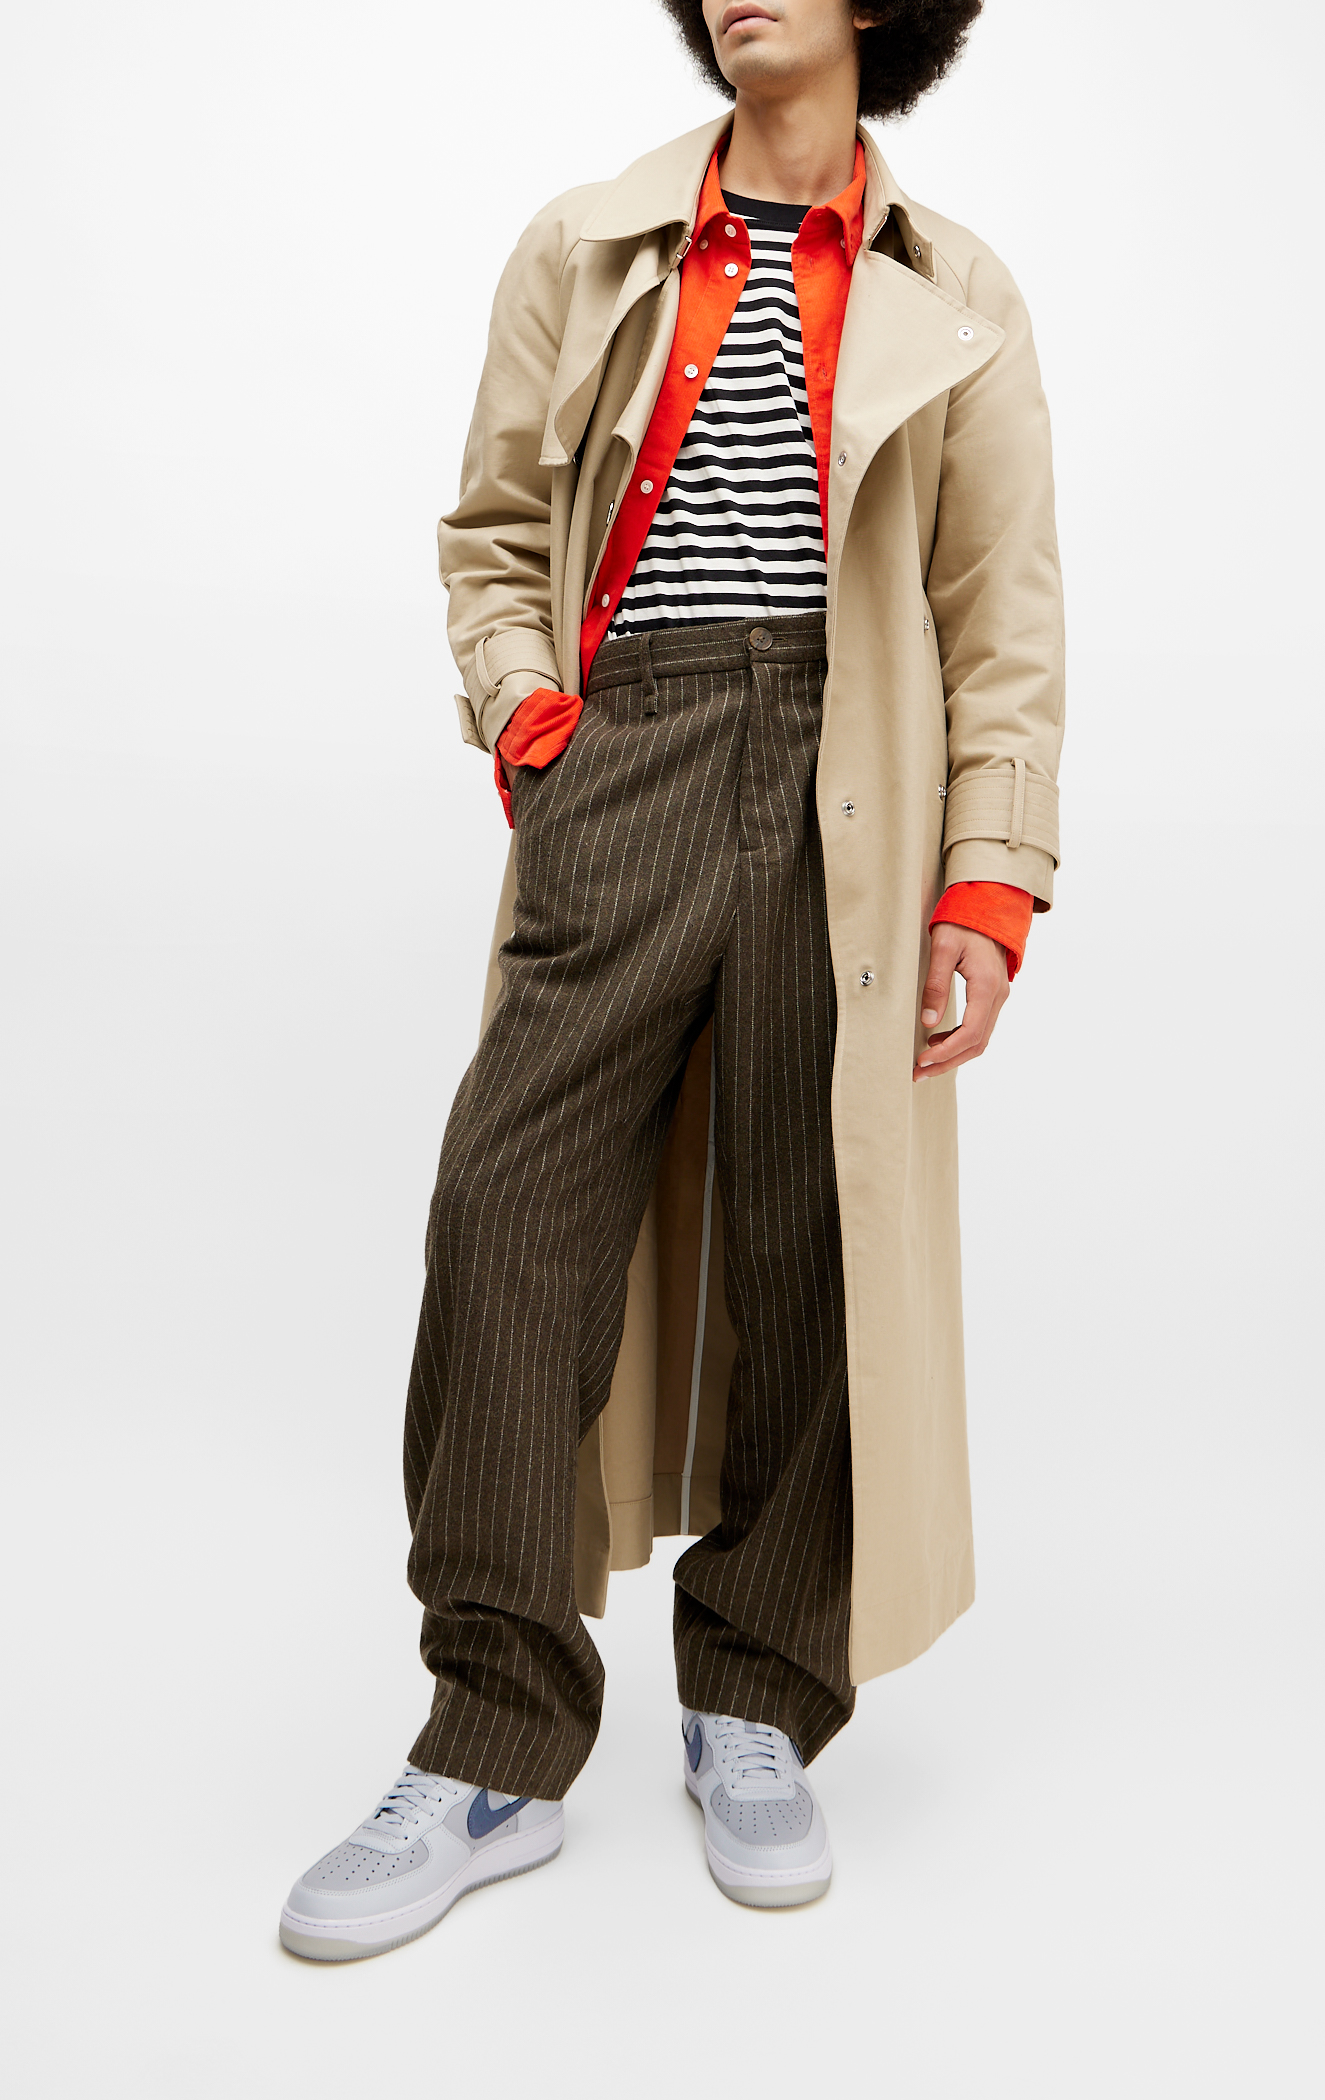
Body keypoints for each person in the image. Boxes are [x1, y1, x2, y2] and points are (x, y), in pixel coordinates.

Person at [280, 0, 1063, 1960]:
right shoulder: (584, 245)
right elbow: (489, 536)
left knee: (814, 1237)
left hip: (847, 778)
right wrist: (532, 722)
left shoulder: (959, 293)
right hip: (623, 752)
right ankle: (491, 1739)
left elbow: (1002, 617)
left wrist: (988, 884)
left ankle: (757, 1699)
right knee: (508, 1218)